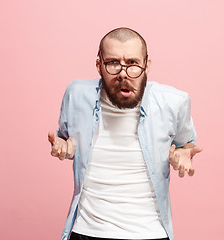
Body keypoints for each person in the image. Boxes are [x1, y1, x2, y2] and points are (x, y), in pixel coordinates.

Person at [48, 27, 202, 240]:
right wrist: (64, 148)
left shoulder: (174, 102)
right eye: (113, 63)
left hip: (149, 234)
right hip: (86, 231)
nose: (123, 73)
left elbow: (187, 145)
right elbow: (65, 140)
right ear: (99, 65)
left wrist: (185, 151)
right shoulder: (76, 94)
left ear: (147, 65)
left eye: (132, 64)